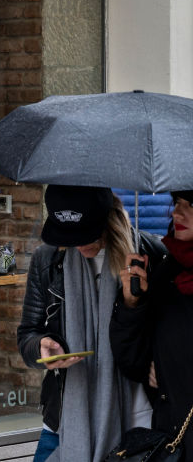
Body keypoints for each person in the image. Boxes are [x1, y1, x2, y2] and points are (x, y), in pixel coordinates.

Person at [17, 184, 159, 462]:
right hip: (64, 418)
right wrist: (41, 348)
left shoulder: (148, 255)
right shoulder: (47, 259)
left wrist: (134, 304)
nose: (78, 244)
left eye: (85, 235)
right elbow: (27, 335)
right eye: (68, 237)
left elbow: (166, 336)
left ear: (107, 220)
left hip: (137, 418)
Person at [111, 190, 193, 462]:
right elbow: (132, 363)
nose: (177, 213)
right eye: (177, 203)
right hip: (174, 443)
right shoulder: (167, 272)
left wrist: (175, 367)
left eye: (190, 205)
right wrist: (132, 303)